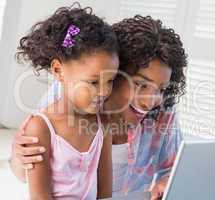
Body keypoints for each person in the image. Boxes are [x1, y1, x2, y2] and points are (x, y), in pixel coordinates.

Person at [11, 14, 187, 200]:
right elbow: (27, 173)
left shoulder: (162, 111)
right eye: (140, 85)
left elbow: (176, 167)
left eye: (161, 89)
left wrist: (167, 182)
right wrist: (20, 158)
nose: (150, 101)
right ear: (117, 73)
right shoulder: (69, 96)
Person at [13, 4, 119, 199]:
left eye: (110, 81)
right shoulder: (40, 127)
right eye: (93, 82)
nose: (104, 91)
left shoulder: (103, 124)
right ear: (58, 70)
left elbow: (104, 193)